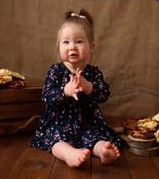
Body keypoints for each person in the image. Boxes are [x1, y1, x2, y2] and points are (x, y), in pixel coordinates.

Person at [30, 9, 123, 168]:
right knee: (57, 139)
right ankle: (69, 154)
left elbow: (104, 93)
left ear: (92, 46)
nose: (72, 47)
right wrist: (65, 90)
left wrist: (89, 87)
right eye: (66, 42)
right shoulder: (56, 71)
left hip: (87, 121)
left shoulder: (93, 72)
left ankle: (102, 151)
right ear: (59, 45)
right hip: (60, 121)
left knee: (95, 136)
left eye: (79, 41)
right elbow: (46, 95)